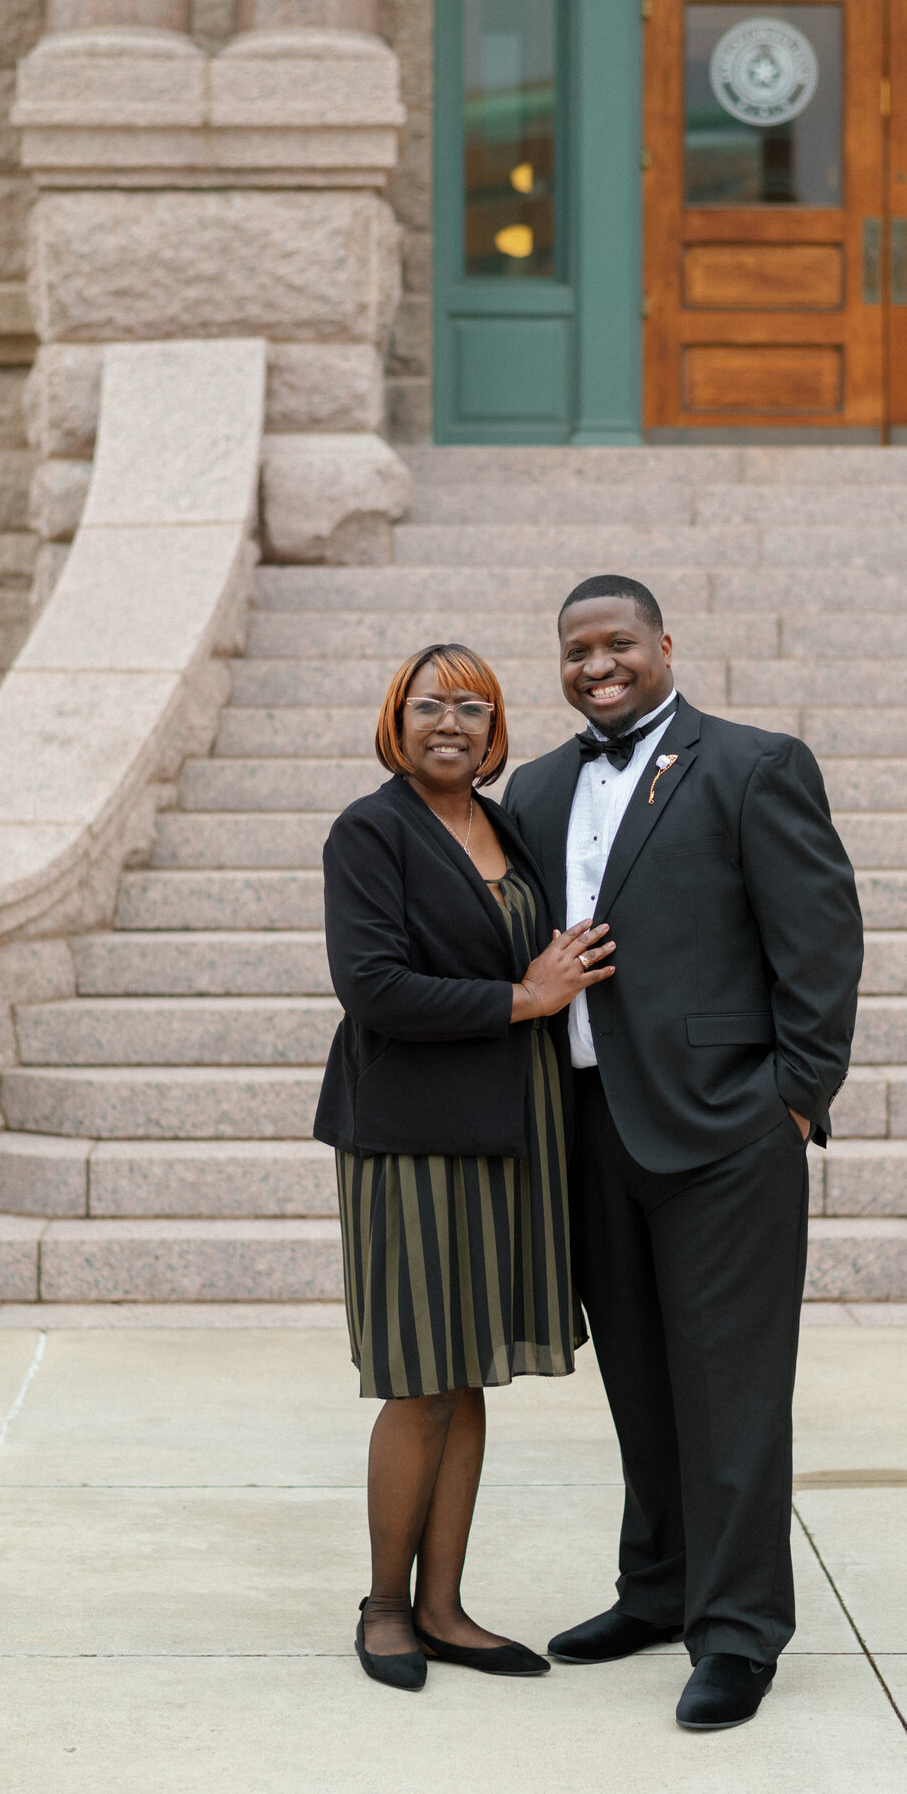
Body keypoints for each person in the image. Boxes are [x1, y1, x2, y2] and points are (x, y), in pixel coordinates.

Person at [502, 575, 863, 1732]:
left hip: (726, 1133)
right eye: (576, 651)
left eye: (618, 644)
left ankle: (739, 1630)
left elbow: (821, 942)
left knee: (733, 1393)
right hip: (589, 1124)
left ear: (664, 644)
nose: (598, 666)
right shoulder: (539, 786)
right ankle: (656, 1589)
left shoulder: (755, 765)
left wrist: (793, 1101)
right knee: (642, 1382)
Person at [313, 642, 616, 1693]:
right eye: (433, 705)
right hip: (411, 1137)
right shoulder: (371, 830)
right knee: (419, 1377)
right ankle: (387, 1605)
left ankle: (445, 1605)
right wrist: (525, 1000)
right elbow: (375, 989)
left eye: (476, 708)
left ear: (497, 730)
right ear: (397, 719)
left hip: (514, 1126)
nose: (455, 724)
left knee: (470, 1367)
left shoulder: (509, 827)